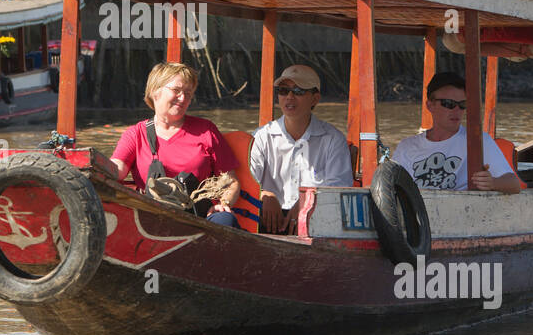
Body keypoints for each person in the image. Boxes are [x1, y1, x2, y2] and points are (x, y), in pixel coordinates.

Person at [110, 62, 241, 227]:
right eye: (176, 91)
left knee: (225, 219)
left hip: (201, 220)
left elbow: (231, 181)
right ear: (155, 91)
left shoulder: (206, 130)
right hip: (152, 218)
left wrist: (224, 204)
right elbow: (115, 170)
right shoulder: (135, 134)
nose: (183, 98)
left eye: (188, 93)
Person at [249, 64, 354, 234]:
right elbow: (249, 178)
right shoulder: (261, 136)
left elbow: (338, 189)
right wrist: (264, 194)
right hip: (267, 220)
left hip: (317, 222)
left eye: (298, 91)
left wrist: (308, 203)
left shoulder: (334, 140)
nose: (289, 96)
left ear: (315, 98)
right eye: (283, 90)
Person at [391, 71, 521, 193]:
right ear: (430, 105)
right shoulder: (406, 147)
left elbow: (514, 184)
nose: (457, 110)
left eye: (462, 104)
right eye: (448, 104)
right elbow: (390, 186)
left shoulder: (479, 141)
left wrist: (493, 183)